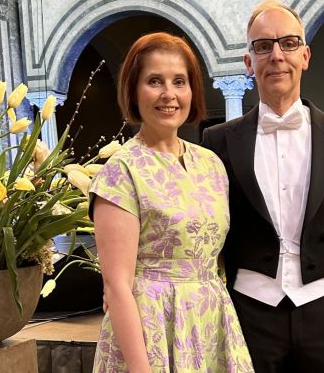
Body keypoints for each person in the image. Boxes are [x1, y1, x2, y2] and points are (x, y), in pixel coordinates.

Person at [202, 0, 324, 372]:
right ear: (248, 63)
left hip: (323, 311)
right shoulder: (217, 142)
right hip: (248, 311)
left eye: (288, 43)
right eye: (263, 46)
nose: (276, 56)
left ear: (305, 55)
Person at [89, 32, 254, 372]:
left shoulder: (211, 164)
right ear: (133, 91)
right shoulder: (121, 171)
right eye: (154, 81)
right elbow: (117, 287)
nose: (169, 94)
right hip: (150, 332)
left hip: (210, 322)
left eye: (179, 81)